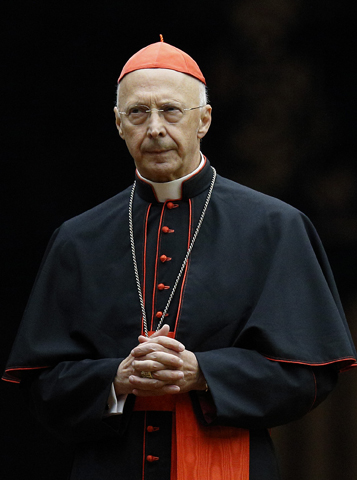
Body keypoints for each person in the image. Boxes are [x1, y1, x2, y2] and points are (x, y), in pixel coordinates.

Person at [3, 37, 357, 480]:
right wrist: (117, 378)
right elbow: (41, 385)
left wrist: (202, 372)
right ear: (118, 124)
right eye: (137, 112)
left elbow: (308, 376)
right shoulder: (78, 238)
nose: (154, 127)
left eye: (171, 110)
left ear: (204, 120)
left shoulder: (275, 227)